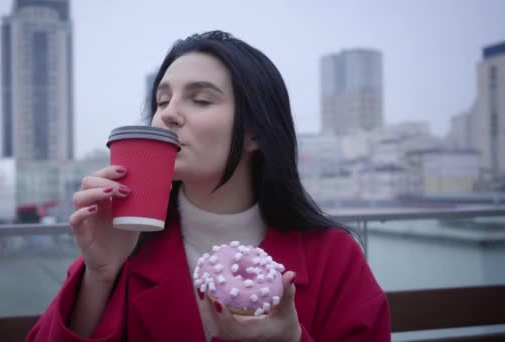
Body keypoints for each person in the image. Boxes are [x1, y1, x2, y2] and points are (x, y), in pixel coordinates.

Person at [27, 30, 391, 342]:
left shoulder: (334, 258)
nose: (167, 114)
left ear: (255, 133)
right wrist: (99, 274)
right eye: (162, 100)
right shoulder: (121, 245)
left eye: (200, 99)